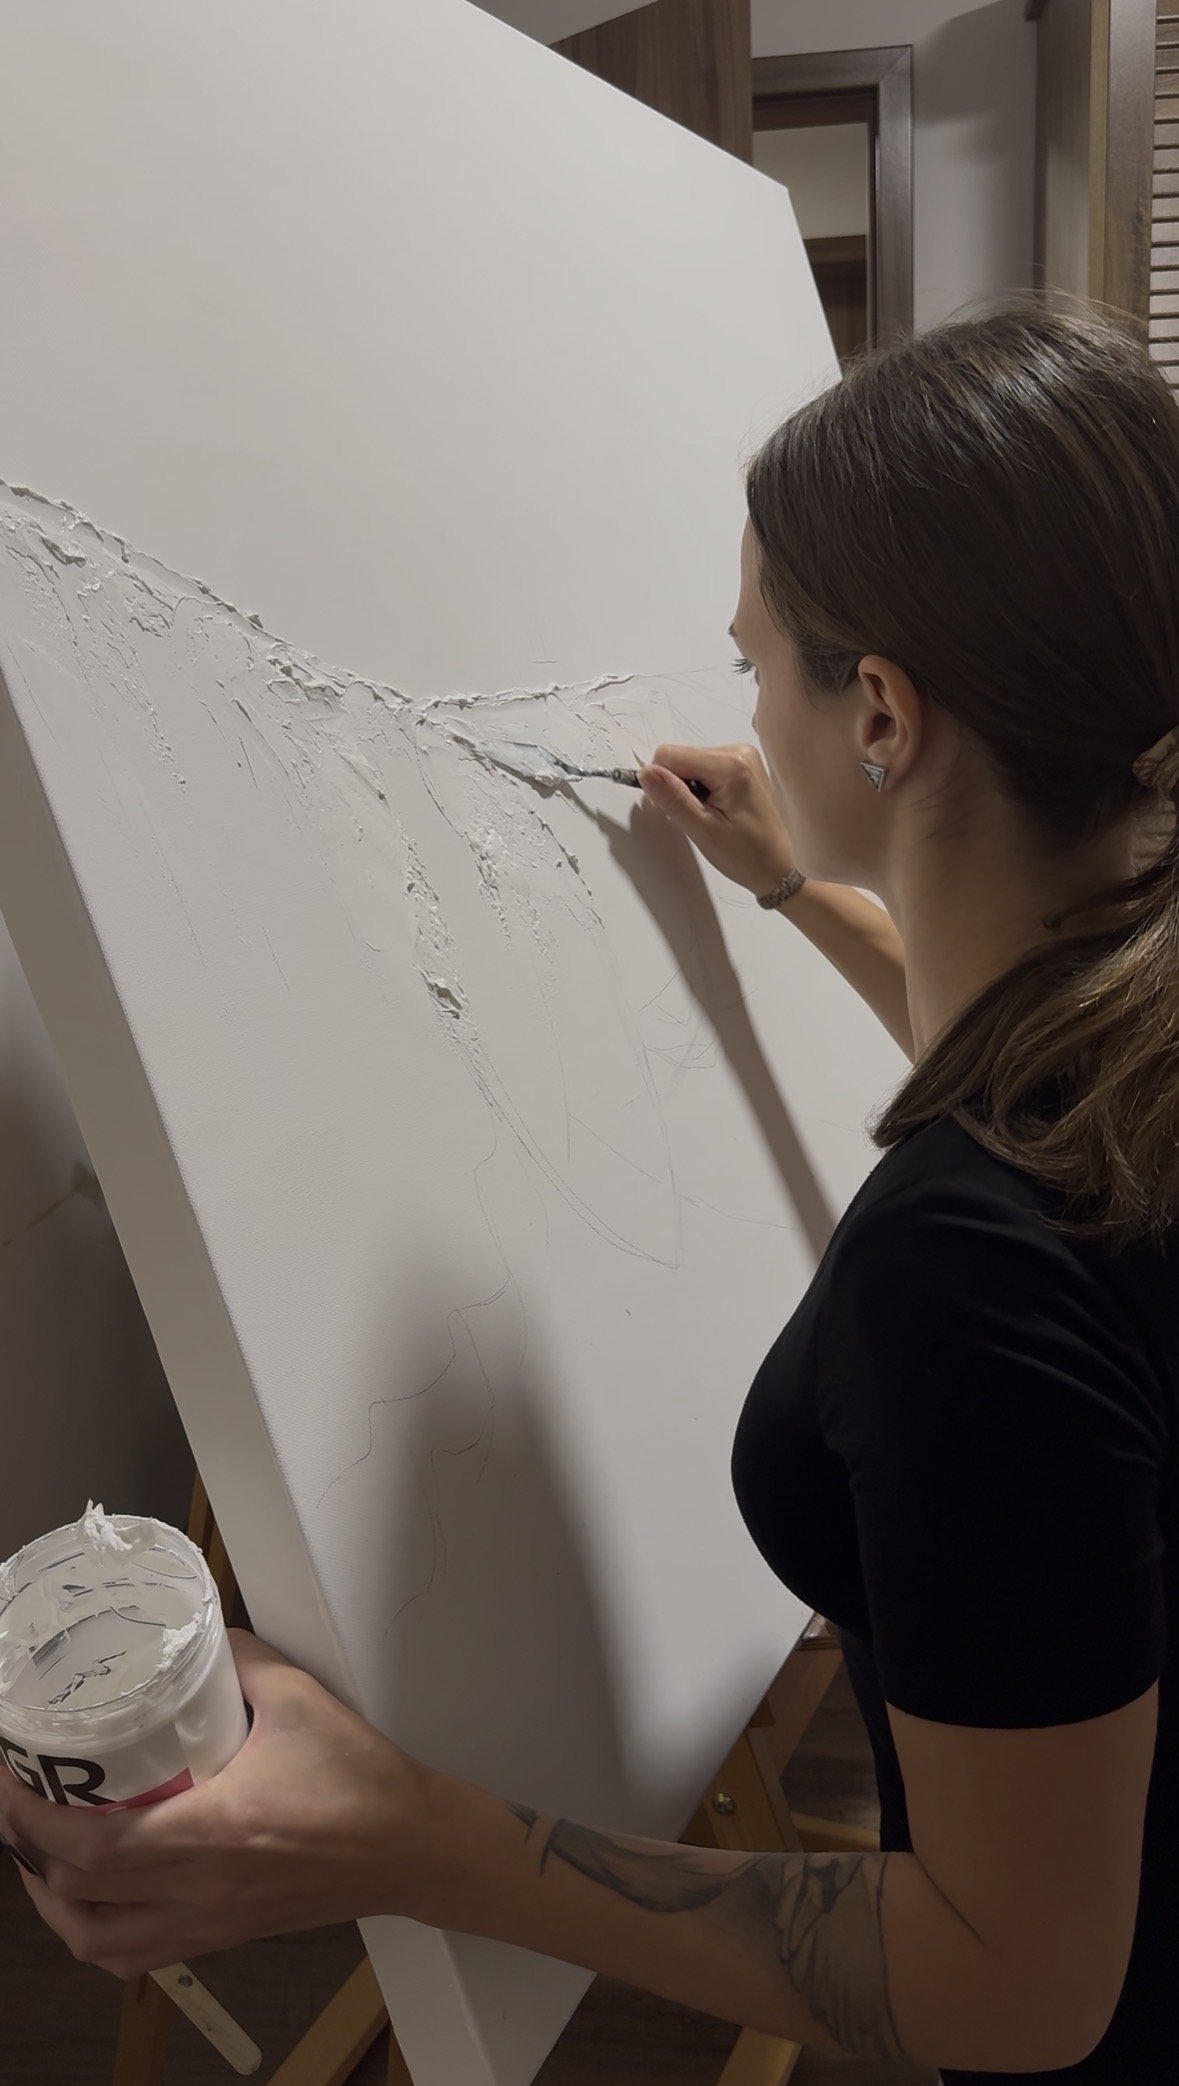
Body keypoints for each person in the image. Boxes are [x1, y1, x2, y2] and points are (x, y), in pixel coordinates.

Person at [1, 296, 1177, 2084]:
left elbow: (1021, 1981)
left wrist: (418, 1835)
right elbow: (1019, 1041)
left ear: (882, 712)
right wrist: (799, 891)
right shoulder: (1130, 1005)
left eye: (758, 664)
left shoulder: (967, 1270)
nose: (746, 708)